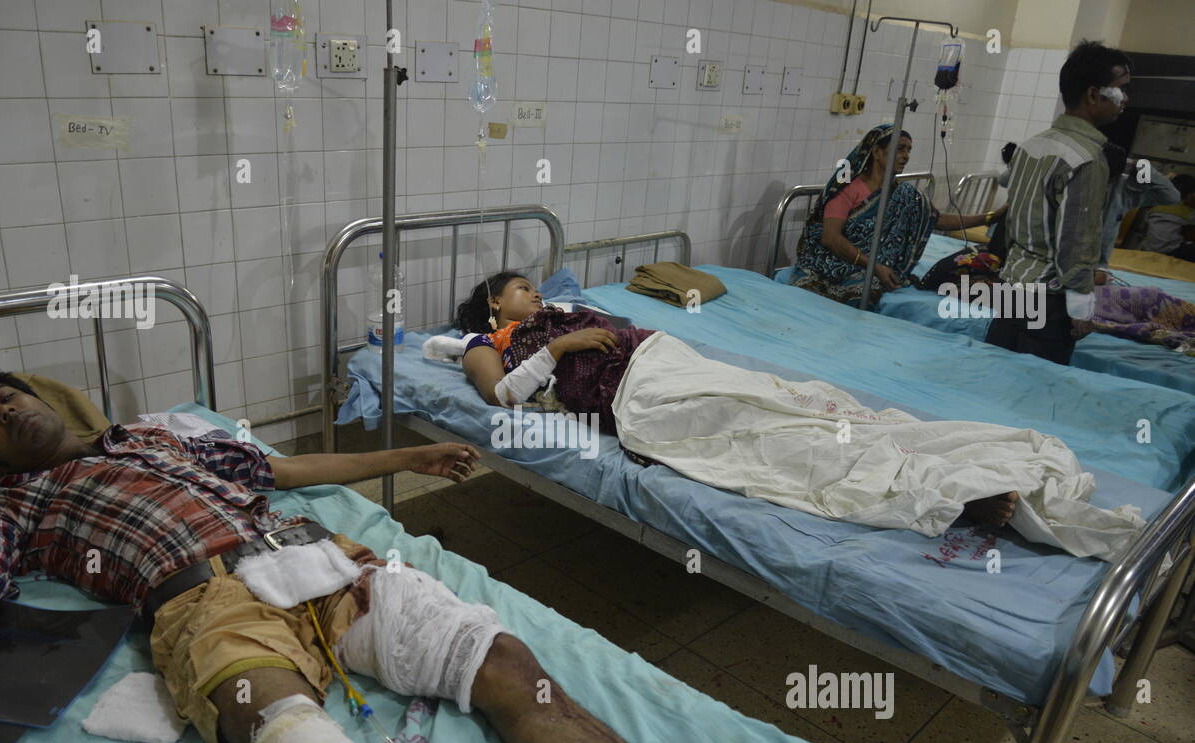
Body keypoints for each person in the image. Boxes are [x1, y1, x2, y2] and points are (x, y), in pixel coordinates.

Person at [0, 367, 941, 743]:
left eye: (5, 392)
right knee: (287, 737)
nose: (3, 410)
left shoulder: (162, 437)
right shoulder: (14, 509)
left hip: (316, 558)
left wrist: (404, 454)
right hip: (204, 606)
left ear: (46, 396)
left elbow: (289, 467)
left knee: (507, 666)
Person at [455, 272, 1146, 562]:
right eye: (519, 285)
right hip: (639, 398)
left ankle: (954, 464)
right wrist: (566, 345)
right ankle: (952, 493)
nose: (535, 288)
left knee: (810, 405)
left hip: (669, 361)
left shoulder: (562, 308)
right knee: (768, 442)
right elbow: (503, 398)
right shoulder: (489, 345)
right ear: (494, 307)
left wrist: (581, 324)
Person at [984, 40, 1131, 364]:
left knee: (994, 376)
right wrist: (1081, 309)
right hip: (1048, 301)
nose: (1126, 100)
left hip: (1011, 285)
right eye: (1121, 90)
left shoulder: (1031, 147)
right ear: (1094, 94)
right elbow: (1076, 243)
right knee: (1031, 390)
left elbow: (1011, 224)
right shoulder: (1086, 160)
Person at [788, 124, 1003, 306]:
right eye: (900, 149)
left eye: (909, 150)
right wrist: (872, 266)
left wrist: (990, 217)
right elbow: (830, 238)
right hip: (837, 261)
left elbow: (938, 219)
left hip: (876, 266)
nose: (906, 155)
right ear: (877, 152)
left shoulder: (902, 194)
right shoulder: (847, 189)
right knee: (859, 291)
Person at [1137, 173, 1195, 261]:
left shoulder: (1156, 205)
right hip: (1170, 251)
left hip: (1147, 248)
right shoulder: (1187, 211)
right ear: (1190, 195)